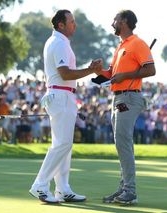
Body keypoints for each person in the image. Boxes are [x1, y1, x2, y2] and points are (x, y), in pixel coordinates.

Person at [29, 9, 102, 204]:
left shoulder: (60, 42)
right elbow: (65, 74)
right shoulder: (59, 42)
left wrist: (88, 67)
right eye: (71, 22)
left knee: (64, 145)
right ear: (61, 25)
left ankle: (63, 189)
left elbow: (66, 72)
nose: (74, 25)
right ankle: (40, 185)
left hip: (63, 95)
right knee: (62, 144)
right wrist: (90, 70)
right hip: (60, 95)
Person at [98, 10, 156, 204]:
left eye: (115, 20)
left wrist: (126, 76)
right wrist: (99, 71)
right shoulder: (121, 46)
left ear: (123, 22)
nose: (112, 23)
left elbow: (150, 69)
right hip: (119, 98)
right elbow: (112, 74)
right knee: (121, 143)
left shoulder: (137, 43)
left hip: (130, 98)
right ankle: (124, 188)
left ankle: (130, 191)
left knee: (123, 142)